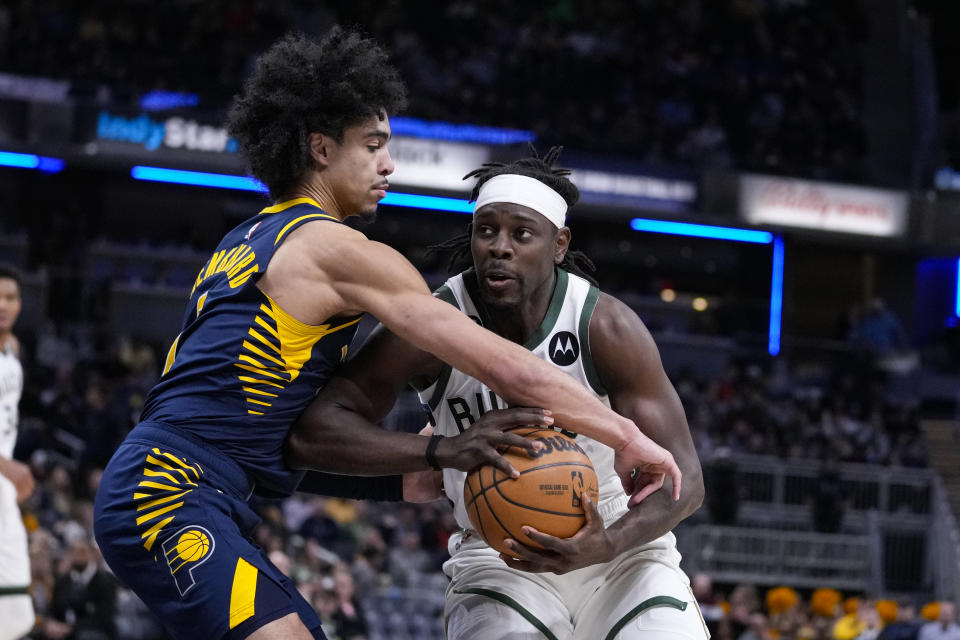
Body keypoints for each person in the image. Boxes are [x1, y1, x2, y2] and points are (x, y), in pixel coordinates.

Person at [92, 29, 680, 640]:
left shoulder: (247, 239)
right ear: (321, 149)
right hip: (171, 488)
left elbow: (272, 429)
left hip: (188, 480)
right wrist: (623, 435)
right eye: (373, 145)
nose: (388, 164)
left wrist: (426, 463)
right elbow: (502, 364)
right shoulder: (338, 249)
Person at [287, 147, 707, 639]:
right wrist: (438, 452)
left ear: (559, 243)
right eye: (485, 230)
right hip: (496, 550)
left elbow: (687, 481)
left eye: (521, 234)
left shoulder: (604, 325)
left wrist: (608, 543)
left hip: (618, 546)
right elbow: (320, 426)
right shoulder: (429, 322)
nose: (498, 247)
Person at [0, 263, 35, 640]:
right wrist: (7, 467)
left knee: (15, 612)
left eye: (9, 297)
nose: (2, 305)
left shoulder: (12, 350)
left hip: (3, 489)